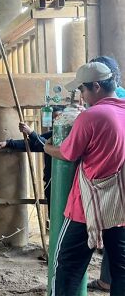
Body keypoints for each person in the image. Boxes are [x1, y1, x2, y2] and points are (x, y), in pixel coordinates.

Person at [43, 61, 125, 295]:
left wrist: (48, 148)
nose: (81, 95)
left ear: (96, 86)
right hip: (120, 209)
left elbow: (68, 153)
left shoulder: (91, 117)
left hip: (87, 206)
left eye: (82, 89)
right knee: (121, 270)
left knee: (67, 266)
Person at [86, 56, 125, 292]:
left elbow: (70, 150)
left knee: (115, 236)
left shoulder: (108, 103)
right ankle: (107, 280)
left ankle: (108, 280)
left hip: (113, 183)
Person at [0, 106, 65, 217]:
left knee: (64, 215)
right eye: (54, 118)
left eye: (59, 118)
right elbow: (33, 143)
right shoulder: (52, 134)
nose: (56, 121)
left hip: (65, 183)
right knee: (53, 215)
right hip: (51, 181)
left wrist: (31, 132)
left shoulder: (69, 136)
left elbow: (46, 145)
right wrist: (8, 143)